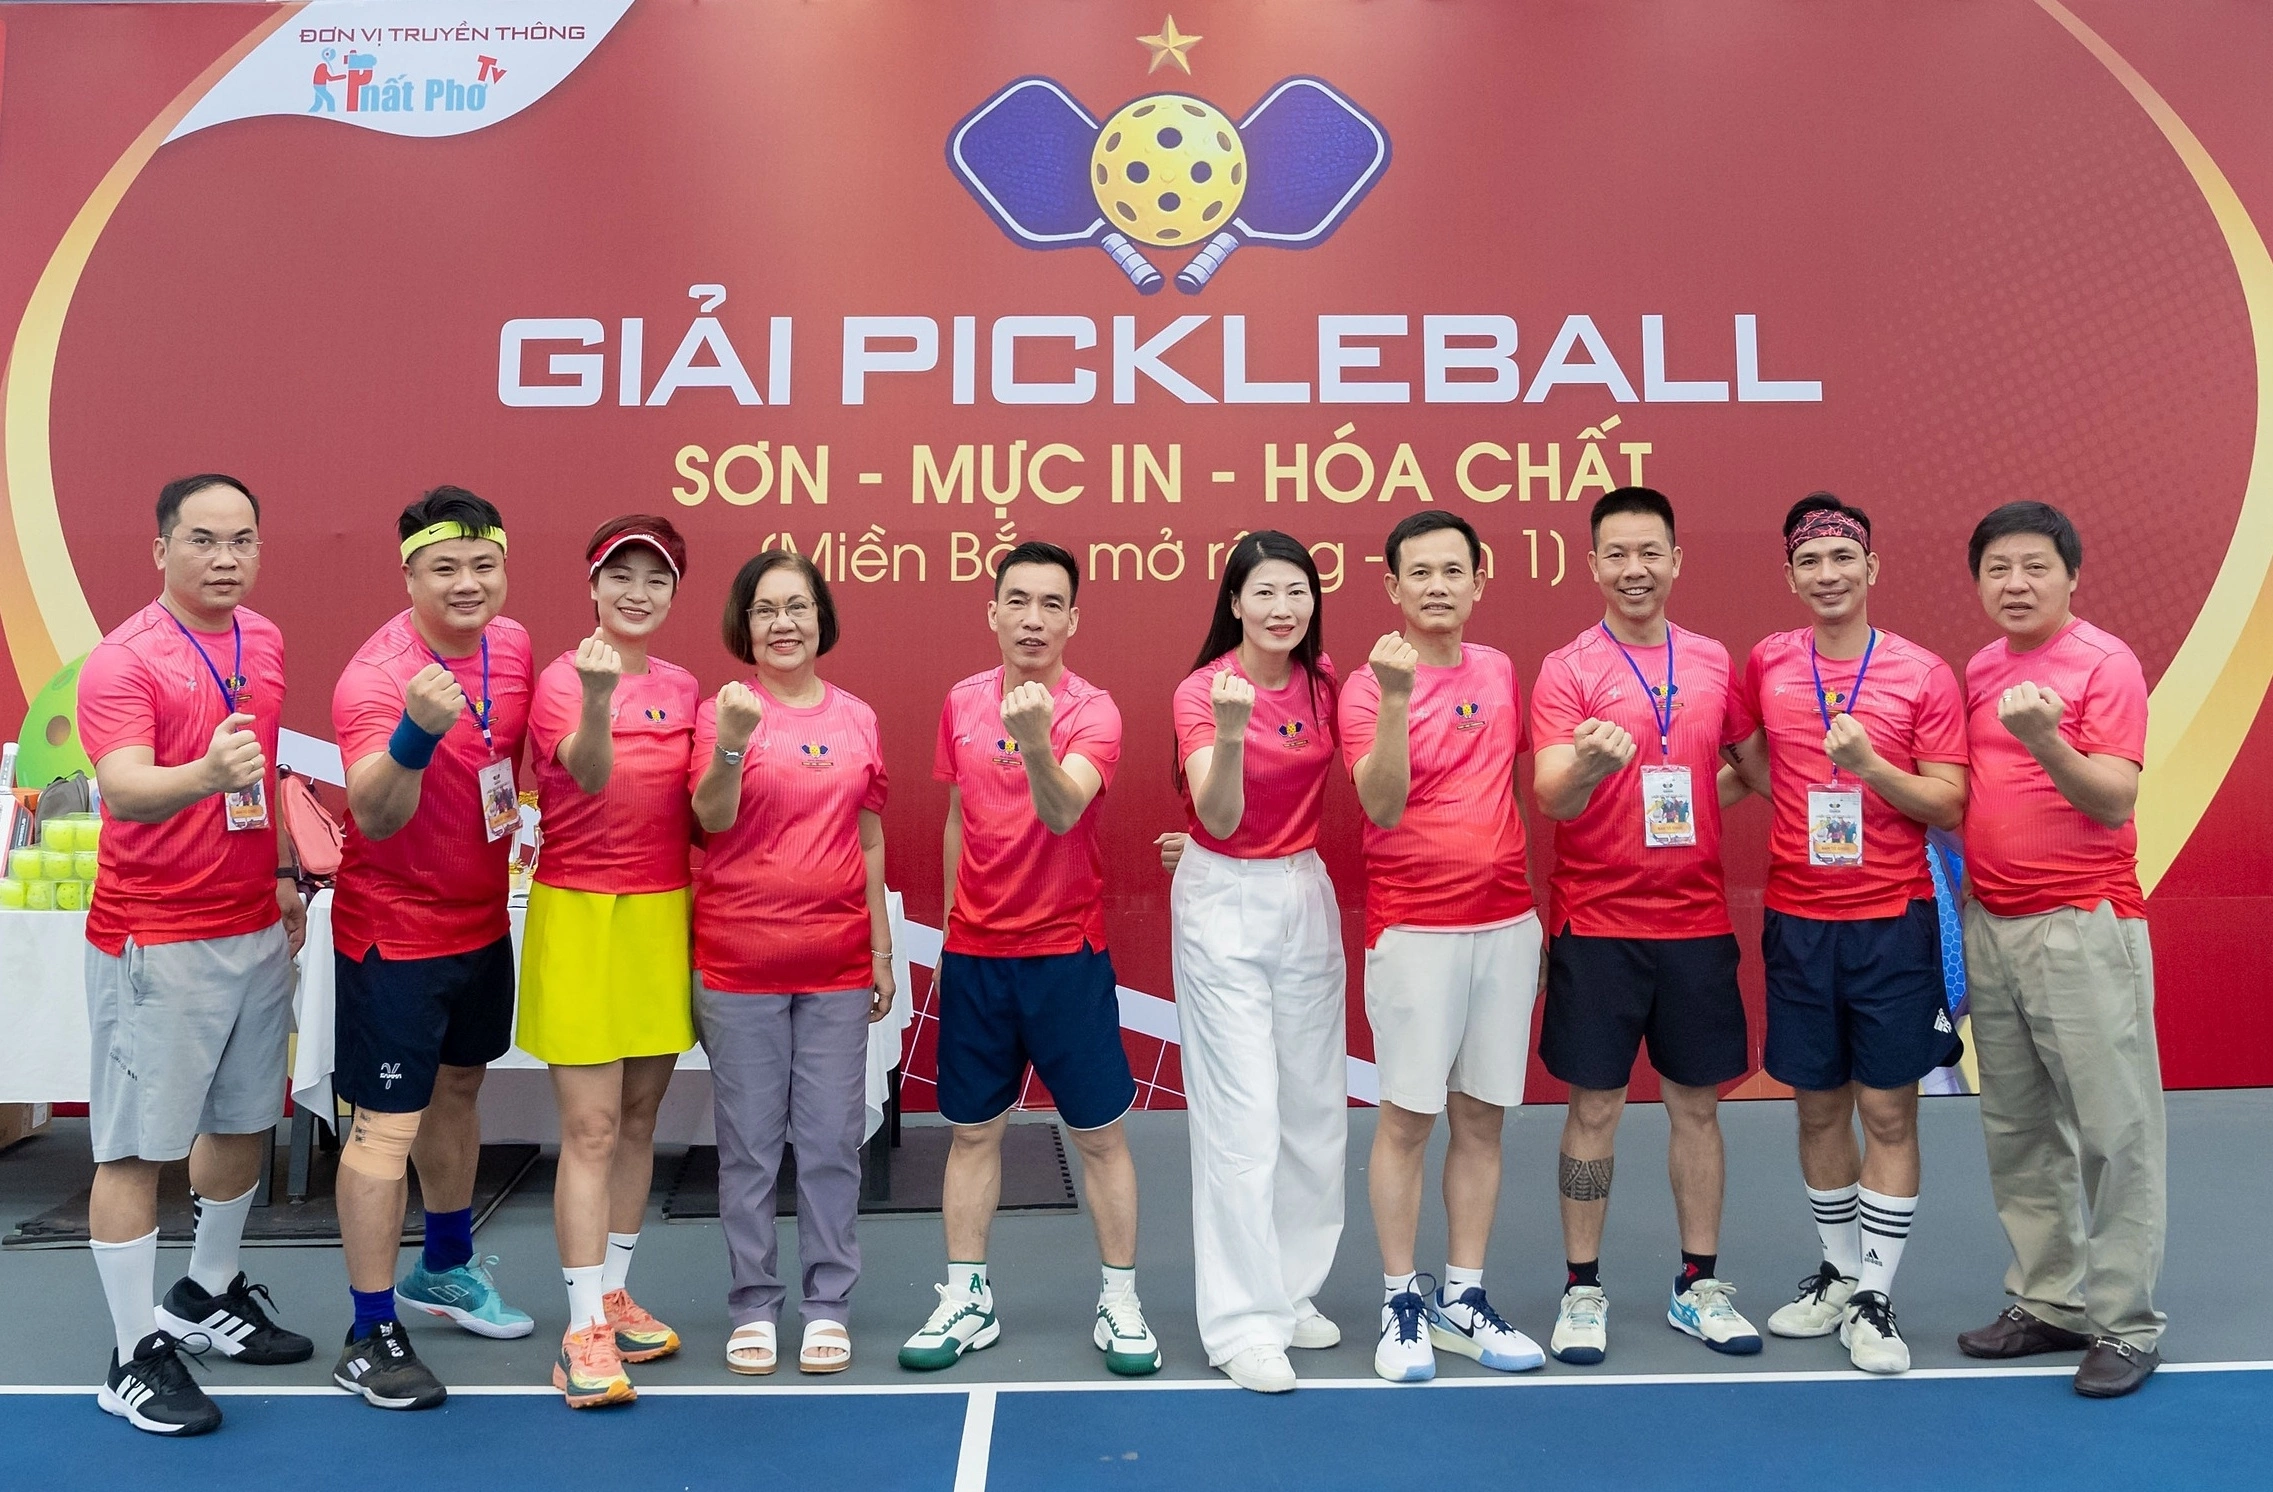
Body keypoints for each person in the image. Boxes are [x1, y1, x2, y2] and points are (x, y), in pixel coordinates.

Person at [77, 474, 311, 1437]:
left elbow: (262, 772)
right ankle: (131, 1354)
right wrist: (206, 773)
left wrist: (284, 872)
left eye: (242, 540)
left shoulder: (264, 639)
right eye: (203, 540)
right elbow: (126, 788)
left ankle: (204, 1293)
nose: (225, 559)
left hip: (251, 925)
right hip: (156, 936)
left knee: (246, 1120)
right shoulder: (123, 660)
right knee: (137, 1149)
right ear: (162, 549)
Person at [899, 541, 1160, 1377]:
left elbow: (1060, 811)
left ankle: (1120, 1301)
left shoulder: (1093, 711)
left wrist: (1036, 742)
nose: (1034, 619)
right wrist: (951, 932)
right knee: (972, 1134)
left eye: (1052, 604)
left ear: (1073, 620)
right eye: (1018, 601)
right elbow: (957, 818)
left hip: (1063, 957)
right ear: (993, 612)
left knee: (1099, 1138)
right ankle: (966, 1297)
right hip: (977, 957)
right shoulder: (961, 701)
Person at [1723, 494, 1967, 1375]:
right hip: (1797, 923)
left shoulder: (1921, 673)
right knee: (1817, 1104)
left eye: (1841, 558)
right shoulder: (1767, 661)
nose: (1826, 574)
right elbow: (1749, 758)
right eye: (1809, 561)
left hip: (1891, 923)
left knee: (1888, 1111)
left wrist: (1868, 768)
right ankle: (1835, 1275)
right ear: (1790, 576)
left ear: (1871, 568)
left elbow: (1948, 800)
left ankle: (1874, 1296)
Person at [1531, 486, 1758, 1365]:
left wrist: (1697, 800)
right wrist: (1590, 766)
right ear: (1592, 564)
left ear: (1675, 560)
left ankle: (1697, 1284)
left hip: (1694, 924)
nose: (1635, 569)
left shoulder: (1709, 660)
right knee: (1593, 1107)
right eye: (1617, 554)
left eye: (1649, 552)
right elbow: (1553, 797)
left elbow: (1751, 768)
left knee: (1695, 1107)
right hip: (1597, 924)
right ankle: (1581, 1288)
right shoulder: (1567, 669)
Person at [328, 486, 535, 1410]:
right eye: (444, 567)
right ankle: (369, 1332)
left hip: (480, 923)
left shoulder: (512, 645)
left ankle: (445, 1266)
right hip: (394, 937)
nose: (466, 582)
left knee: (459, 1089)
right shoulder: (376, 679)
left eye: (483, 564)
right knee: (383, 1130)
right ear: (408, 575)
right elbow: (373, 814)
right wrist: (416, 732)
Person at [1952, 501, 2163, 1399]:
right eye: (1997, 568)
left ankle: (2125, 1323)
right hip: (1992, 924)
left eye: (2034, 566)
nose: (2015, 584)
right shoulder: (1980, 666)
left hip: (2081, 923)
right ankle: (2049, 1300)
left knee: (2114, 1131)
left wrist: (2044, 739)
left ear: (2071, 575)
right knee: (2018, 1128)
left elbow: (2112, 799)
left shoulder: (2104, 663)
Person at [1338, 510, 1546, 1385]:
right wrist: (1396, 697)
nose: (1435, 586)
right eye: (1418, 572)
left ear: (1477, 580)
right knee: (1407, 1119)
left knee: (1482, 1117)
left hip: (1504, 926)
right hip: (1414, 929)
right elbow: (1381, 805)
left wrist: (1523, 907)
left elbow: (1512, 786)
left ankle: (1463, 1296)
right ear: (1392, 586)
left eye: (1451, 571)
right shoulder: (1365, 686)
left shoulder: (1497, 670)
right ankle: (1401, 1301)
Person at [692, 550, 893, 1378]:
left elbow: (869, 837)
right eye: (766, 609)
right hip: (738, 963)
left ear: (821, 618)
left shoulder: (858, 718)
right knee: (747, 1148)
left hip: (837, 964)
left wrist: (880, 947)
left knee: (831, 1142)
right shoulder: (722, 712)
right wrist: (732, 746)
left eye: (797, 606)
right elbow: (709, 819)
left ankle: (827, 1302)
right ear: (744, 625)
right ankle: (752, 1303)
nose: (783, 623)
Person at [518, 517, 698, 1409]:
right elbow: (587, 775)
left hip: (662, 914)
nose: (637, 591)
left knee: (636, 1119)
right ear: (592, 585)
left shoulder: (686, 687)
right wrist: (597, 698)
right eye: (620, 575)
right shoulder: (563, 679)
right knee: (588, 1130)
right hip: (582, 914)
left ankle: (616, 1293)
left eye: (655, 579)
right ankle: (580, 1327)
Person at [1168, 531, 1347, 1394]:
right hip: (1223, 899)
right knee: (1241, 1118)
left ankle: (1289, 1289)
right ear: (1233, 603)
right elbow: (1219, 815)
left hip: (1302, 890)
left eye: (1296, 591)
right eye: (1264, 593)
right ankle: (1241, 1323)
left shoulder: (1324, 683)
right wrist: (1234, 734)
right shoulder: (1202, 691)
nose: (1282, 608)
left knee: (1311, 1110)